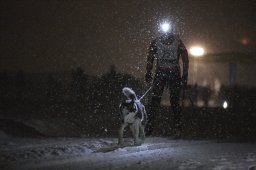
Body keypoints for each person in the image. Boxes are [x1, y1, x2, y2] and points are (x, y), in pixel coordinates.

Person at [145, 31, 189, 136]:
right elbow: (150, 58)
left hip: (173, 73)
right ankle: (150, 126)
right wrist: (148, 71)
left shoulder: (178, 42)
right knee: (155, 100)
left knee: (174, 100)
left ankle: (177, 127)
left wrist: (185, 75)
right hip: (162, 72)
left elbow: (185, 59)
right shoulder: (156, 42)